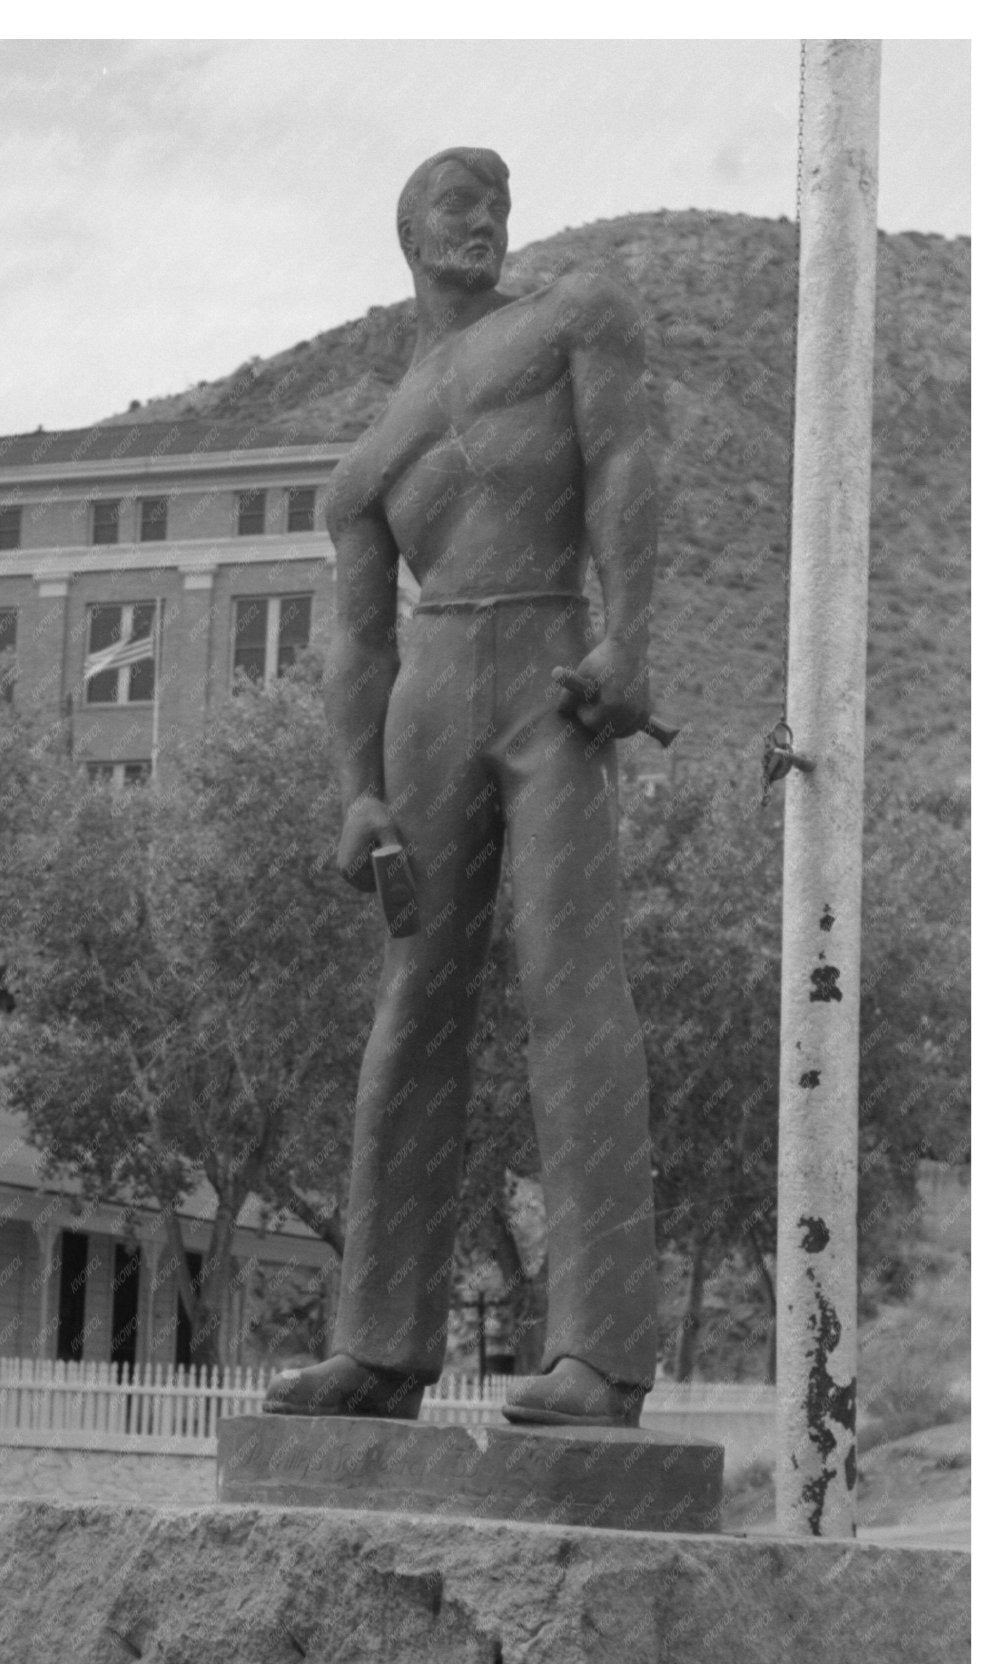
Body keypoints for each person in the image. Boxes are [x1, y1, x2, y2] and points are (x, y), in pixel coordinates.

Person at [264, 146, 661, 1429]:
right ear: (405, 230)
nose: (482, 216)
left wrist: (630, 638)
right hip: (431, 692)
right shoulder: (371, 453)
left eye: (496, 200)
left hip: (548, 663)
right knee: (413, 1006)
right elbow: (359, 639)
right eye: (456, 199)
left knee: (570, 983)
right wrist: (355, 792)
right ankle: (380, 1345)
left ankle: (597, 1352)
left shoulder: (568, 320)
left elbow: (623, 464)